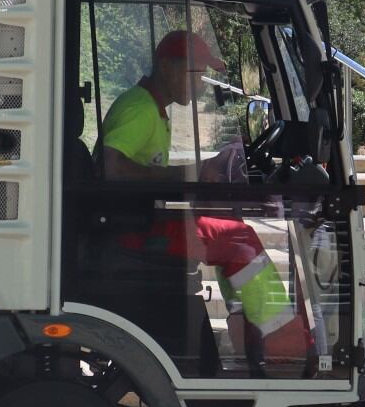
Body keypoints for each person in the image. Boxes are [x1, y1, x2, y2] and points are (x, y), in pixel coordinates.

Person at [98, 30, 312, 370]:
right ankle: (284, 344)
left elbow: (139, 171)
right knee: (237, 240)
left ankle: (249, 330)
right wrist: (188, 174)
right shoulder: (139, 109)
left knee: (229, 225)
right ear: (167, 67)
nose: (200, 84)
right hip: (132, 230)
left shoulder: (153, 108)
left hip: (139, 219)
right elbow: (112, 168)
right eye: (195, 73)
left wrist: (197, 174)